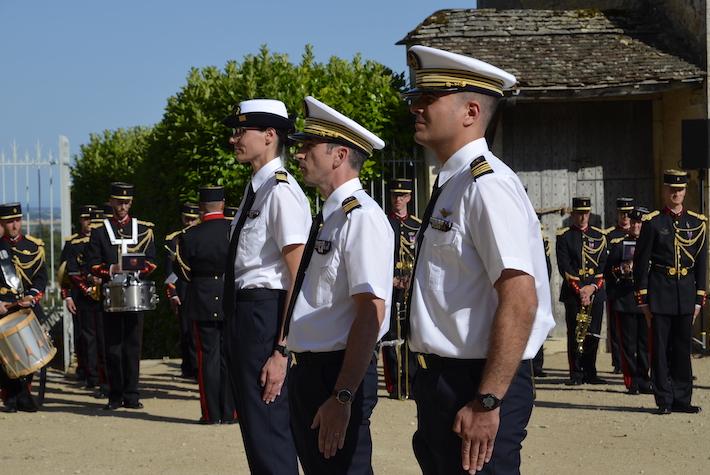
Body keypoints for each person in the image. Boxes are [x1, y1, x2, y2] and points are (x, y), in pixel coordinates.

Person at [402, 45, 554, 475]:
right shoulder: (454, 183)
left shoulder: (486, 185)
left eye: (428, 99)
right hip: (443, 380)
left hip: (478, 382)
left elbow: (520, 298)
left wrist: (488, 401)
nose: (416, 107)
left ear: (470, 111)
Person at [285, 95, 393, 474]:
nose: (299, 155)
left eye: (308, 146)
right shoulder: (330, 217)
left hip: (336, 373)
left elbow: (370, 312)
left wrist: (343, 395)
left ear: (338, 154)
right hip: (312, 372)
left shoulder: (359, 219)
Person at [222, 99, 308, 473]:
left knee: (269, 431)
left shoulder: (281, 192)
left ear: (270, 136)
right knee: (256, 431)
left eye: (242, 131)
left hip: (265, 316)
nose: (233, 139)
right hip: (245, 313)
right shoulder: (255, 189)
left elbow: (298, 274)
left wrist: (281, 349)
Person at [634, 170, 706, 415]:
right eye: (671, 190)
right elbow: (641, 264)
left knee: (683, 349)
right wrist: (643, 300)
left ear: (685, 191)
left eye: (680, 190)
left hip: (685, 293)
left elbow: (702, 264)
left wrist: (699, 298)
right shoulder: (653, 222)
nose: (676, 194)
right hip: (660, 293)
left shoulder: (697, 223)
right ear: (665, 191)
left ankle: (682, 399)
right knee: (662, 349)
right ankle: (664, 399)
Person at [84, 182, 156, 411]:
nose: (122, 206)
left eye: (126, 202)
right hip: (111, 294)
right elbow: (92, 264)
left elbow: (152, 261)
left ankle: (132, 394)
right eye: (118, 202)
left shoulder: (144, 229)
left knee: (133, 345)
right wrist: (111, 270)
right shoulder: (100, 231)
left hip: (135, 293)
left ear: (131, 203)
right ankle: (115, 395)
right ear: (111, 202)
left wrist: (136, 269)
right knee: (113, 346)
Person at [174, 188, 236, 424]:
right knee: (228, 356)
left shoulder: (189, 235)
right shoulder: (233, 230)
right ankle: (230, 413)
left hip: (202, 296)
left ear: (201, 207)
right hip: (229, 295)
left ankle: (211, 414)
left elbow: (182, 271)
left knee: (206, 357)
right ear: (222, 203)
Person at [0, 202, 48, 413]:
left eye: (17, 220)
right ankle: (11, 396)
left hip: (27, 305)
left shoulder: (34, 247)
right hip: (4, 307)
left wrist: (31, 296)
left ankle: (24, 392)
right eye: (10, 222)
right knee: (6, 355)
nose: (15, 225)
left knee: (29, 350)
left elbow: (40, 278)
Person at [557, 197, 608, 386]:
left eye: (585, 213)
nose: (582, 217)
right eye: (579, 213)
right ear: (573, 214)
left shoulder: (599, 236)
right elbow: (565, 266)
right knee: (576, 333)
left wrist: (592, 287)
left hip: (595, 291)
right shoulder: (564, 236)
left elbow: (603, 264)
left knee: (593, 333)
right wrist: (580, 290)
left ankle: (590, 371)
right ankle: (576, 373)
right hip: (574, 293)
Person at [605, 206, 652, 395]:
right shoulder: (619, 245)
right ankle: (631, 381)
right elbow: (608, 271)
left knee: (645, 343)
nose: (636, 226)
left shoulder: (651, 245)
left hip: (646, 301)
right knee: (628, 344)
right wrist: (621, 269)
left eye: (639, 223)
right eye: (633, 223)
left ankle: (644, 379)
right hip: (625, 300)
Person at [382, 178, 420, 399]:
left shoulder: (417, 225)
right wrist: (391, 280)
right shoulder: (383, 223)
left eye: (402, 196)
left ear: (409, 198)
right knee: (392, 337)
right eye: (395, 195)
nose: (398, 200)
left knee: (412, 335)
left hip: (411, 288)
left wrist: (411, 279)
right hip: (392, 287)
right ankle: (396, 384)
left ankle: (412, 383)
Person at [59, 204, 102, 389]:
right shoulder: (72, 243)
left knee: (100, 337)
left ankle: (98, 374)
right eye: (86, 219)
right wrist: (67, 296)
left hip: (101, 293)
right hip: (81, 294)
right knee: (83, 337)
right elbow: (64, 273)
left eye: (91, 220)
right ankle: (87, 372)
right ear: (80, 220)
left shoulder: (101, 240)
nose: (89, 223)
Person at [165, 202, 200, 379]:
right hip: (183, 287)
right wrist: (173, 291)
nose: (189, 222)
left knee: (196, 330)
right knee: (186, 329)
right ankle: (189, 366)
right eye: (187, 218)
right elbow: (170, 269)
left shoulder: (202, 235)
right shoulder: (175, 239)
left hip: (199, 286)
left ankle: (195, 367)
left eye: (193, 219)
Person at [604, 197, 634, 374]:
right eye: (622, 213)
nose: (625, 217)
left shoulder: (640, 232)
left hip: (634, 286)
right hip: (616, 285)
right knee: (616, 327)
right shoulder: (610, 235)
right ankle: (618, 362)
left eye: (628, 213)